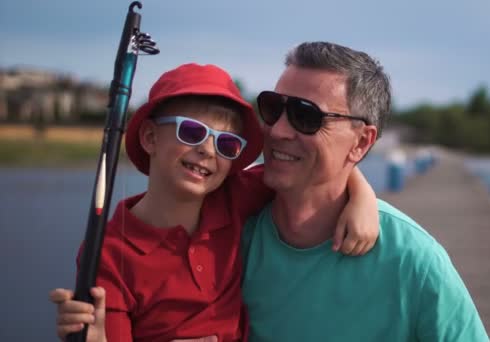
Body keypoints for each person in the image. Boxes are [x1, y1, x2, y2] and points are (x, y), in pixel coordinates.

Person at [49, 62, 380, 342]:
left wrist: (363, 196)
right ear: (150, 137)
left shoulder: (233, 196)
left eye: (226, 143)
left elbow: (308, 167)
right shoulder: (107, 253)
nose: (208, 150)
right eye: (191, 133)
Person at [239, 42, 490, 341]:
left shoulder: (414, 262)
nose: (278, 131)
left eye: (304, 116)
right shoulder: (227, 233)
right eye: (272, 108)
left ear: (360, 143)